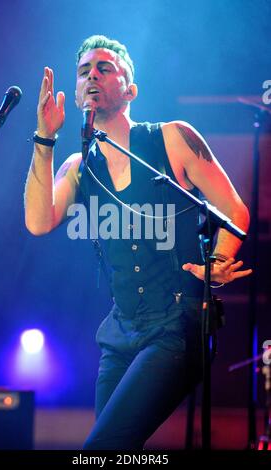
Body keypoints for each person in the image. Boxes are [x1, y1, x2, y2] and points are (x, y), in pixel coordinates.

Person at [24, 35, 252, 450]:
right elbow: (39, 223)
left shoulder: (173, 139)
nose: (92, 75)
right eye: (83, 72)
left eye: (104, 68)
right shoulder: (78, 166)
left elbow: (234, 211)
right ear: (76, 94)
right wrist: (44, 139)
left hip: (177, 327)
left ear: (131, 89)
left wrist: (217, 262)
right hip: (121, 334)